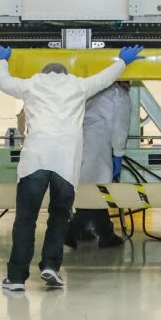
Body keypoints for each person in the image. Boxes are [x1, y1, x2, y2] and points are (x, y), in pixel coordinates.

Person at [0, 44, 144, 292]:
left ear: (44, 73)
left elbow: (4, 82)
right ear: (65, 74)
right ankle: (51, 266)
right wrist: (123, 61)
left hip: (35, 163)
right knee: (59, 217)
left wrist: (2, 59)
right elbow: (105, 78)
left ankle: (17, 278)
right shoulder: (78, 86)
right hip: (66, 164)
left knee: (25, 220)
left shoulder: (31, 84)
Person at [66, 81, 131, 250]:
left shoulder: (94, 88)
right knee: (97, 192)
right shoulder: (120, 95)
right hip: (98, 145)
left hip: (80, 142)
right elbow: (120, 128)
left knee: (88, 190)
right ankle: (70, 231)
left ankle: (101, 233)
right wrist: (118, 153)